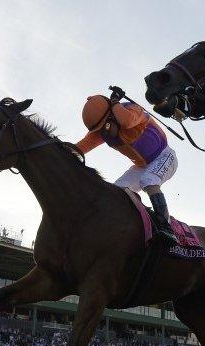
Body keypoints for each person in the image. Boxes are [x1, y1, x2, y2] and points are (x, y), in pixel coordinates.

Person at [76, 89, 178, 243]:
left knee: (149, 180)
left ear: (112, 114)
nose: (104, 132)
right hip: (142, 166)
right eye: (100, 130)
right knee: (117, 190)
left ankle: (166, 227)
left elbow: (127, 121)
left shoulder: (133, 110)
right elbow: (81, 147)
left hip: (164, 156)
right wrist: (60, 148)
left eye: (106, 126)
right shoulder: (103, 130)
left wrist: (115, 103)